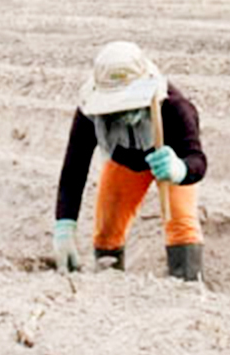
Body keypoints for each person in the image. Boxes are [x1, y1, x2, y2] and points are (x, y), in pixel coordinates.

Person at [53, 41, 207, 281]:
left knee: (182, 226)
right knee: (107, 230)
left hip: (169, 161)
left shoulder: (175, 107)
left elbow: (197, 159)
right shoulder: (89, 114)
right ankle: (110, 285)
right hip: (125, 161)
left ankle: (187, 286)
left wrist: (180, 169)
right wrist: (64, 225)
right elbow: (74, 170)